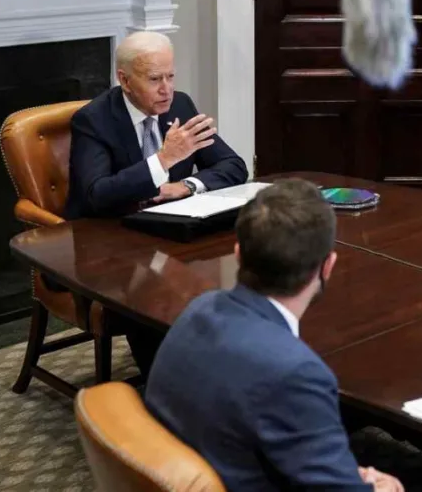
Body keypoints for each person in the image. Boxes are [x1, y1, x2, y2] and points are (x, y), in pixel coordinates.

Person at [145, 179, 405, 491]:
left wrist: (342, 475)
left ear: (238, 255)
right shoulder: (296, 373)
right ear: (328, 267)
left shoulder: (198, 309)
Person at [65, 31, 249, 375]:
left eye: (171, 76)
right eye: (154, 79)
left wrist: (187, 185)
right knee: (155, 294)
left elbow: (234, 166)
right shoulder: (94, 120)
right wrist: (163, 161)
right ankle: (168, 385)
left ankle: (226, 369)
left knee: (235, 274)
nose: (167, 89)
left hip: (173, 234)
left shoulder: (180, 106)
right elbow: (96, 195)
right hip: (114, 243)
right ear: (125, 80)